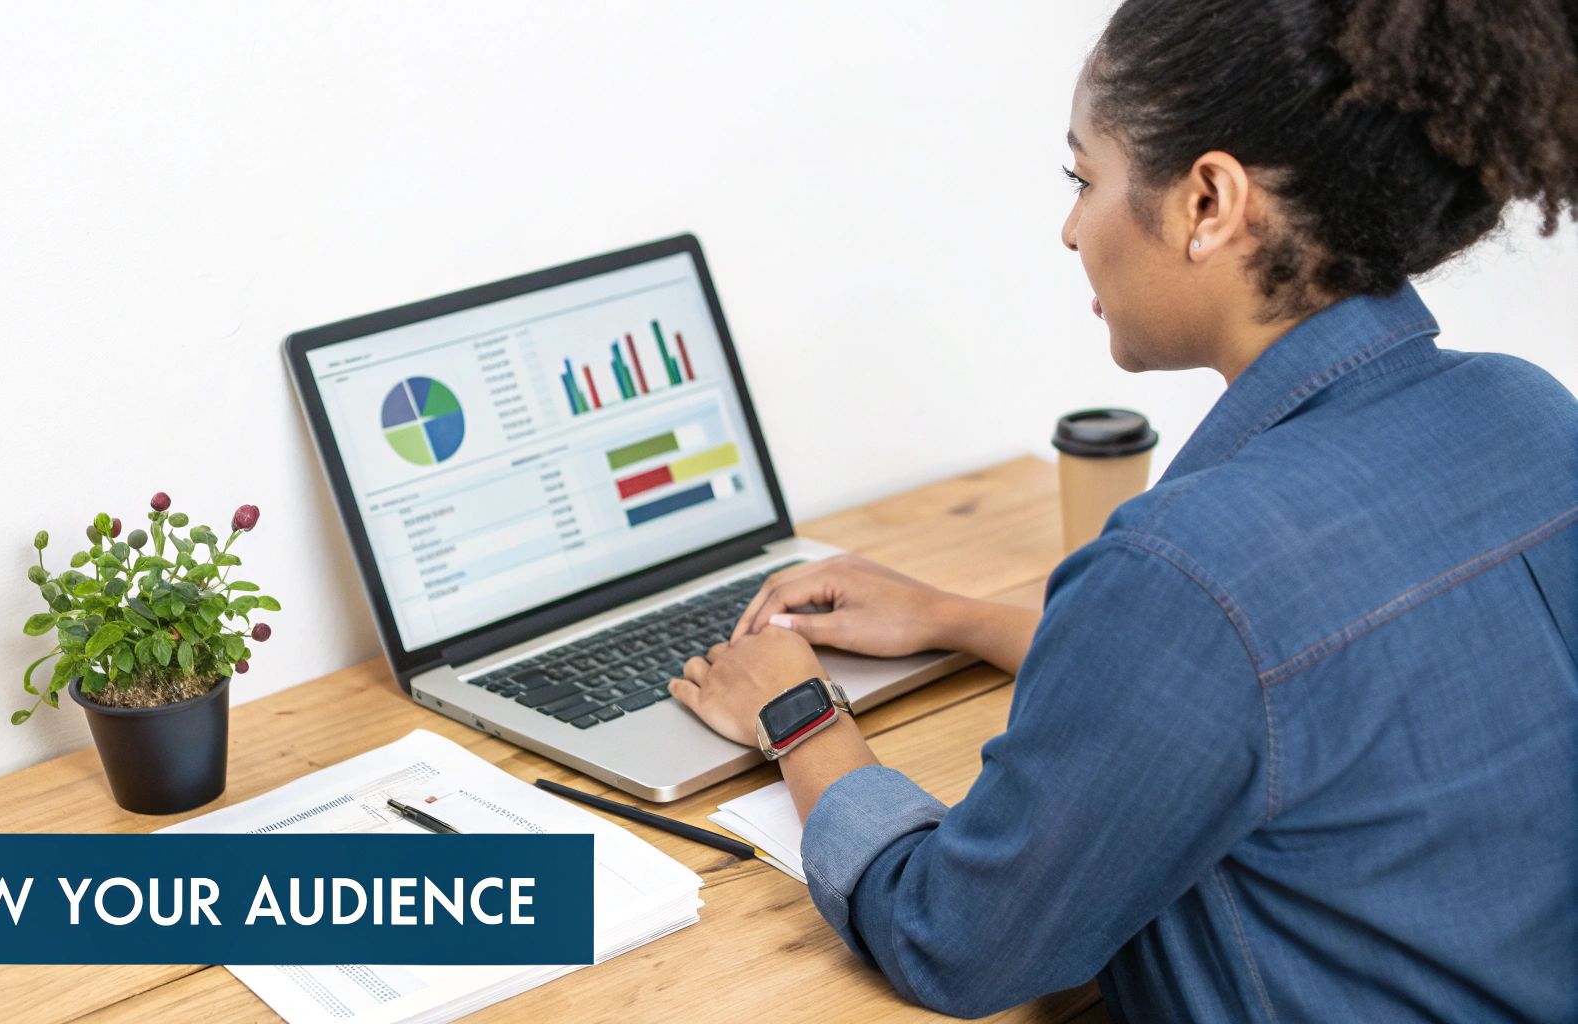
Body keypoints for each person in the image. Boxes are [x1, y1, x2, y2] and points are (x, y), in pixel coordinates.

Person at [666, 1, 1578, 1019]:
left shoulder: (1188, 569)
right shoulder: (1527, 413)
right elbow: (1281, 684)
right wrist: (952, 618)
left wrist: (796, 712)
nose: (1068, 227)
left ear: (1206, 203)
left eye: (1082, 177)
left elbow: (956, 939)